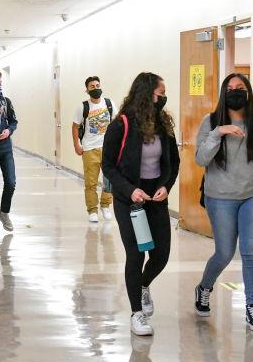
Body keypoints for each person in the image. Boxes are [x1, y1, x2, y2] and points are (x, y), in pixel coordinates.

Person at [193, 72, 253, 332]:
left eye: (240, 87)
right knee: (225, 253)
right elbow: (201, 158)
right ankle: (204, 287)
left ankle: (252, 306)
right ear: (223, 93)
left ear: (248, 91)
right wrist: (219, 132)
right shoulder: (210, 121)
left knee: (250, 251)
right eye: (230, 88)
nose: (235, 91)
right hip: (220, 197)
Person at [102, 72, 180, 336]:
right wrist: (129, 189)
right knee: (135, 254)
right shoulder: (121, 125)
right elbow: (108, 166)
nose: (163, 98)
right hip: (129, 199)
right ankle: (136, 314)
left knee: (160, 255)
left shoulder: (163, 124)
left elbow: (174, 162)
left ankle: (143, 285)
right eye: (160, 93)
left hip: (155, 197)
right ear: (147, 94)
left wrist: (165, 187)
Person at [71, 76, 116, 223]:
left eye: (97, 85)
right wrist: (77, 144)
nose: (96, 88)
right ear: (87, 90)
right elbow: (75, 126)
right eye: (92, 86)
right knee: (91, 182)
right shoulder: (83, 107)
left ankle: (105, 205)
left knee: (109, 180)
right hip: (90, 148)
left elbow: (116, 123)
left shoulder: (109, 103)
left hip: (109, 147)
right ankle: (92, 210)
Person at [0, 70, 18, 235]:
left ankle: (3, 213)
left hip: (5, 149)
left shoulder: (5, 102)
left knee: (11, 182)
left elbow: (13, 121)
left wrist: (8, 131)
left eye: (0, 83)